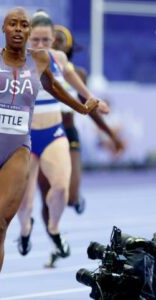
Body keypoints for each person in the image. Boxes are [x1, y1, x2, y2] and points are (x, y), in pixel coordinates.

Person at [0, 8, 100, 300]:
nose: (18, 29)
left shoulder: (41, 60)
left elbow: (54, 86)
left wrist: (82, 107)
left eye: (24, 25)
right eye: (13, 24)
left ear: (29, 32)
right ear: (4, 29)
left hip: (18, 149)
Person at [14, 12, 109, 268]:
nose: (41, 45)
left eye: (46, 40)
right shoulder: (16, 60)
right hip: (25, 137)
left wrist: (92, 98)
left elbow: (71, 78)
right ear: (27, 38)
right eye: (36, 40)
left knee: (61, 189)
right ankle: (25, 230)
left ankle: (54, 229)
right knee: (25, 201)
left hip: (54, 132)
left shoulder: (58, 58)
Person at [37, 24, 124, 215]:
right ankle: (52, 234)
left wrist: (111, 136)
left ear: (68, 47)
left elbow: (91, 109)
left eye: (60, 41)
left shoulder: (77, 73)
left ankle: (75, 198)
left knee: (70, 197)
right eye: (53, 39)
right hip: (41, 133)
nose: (55, 44)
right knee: (46, 192)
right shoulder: (35, 67)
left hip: (68, 134)